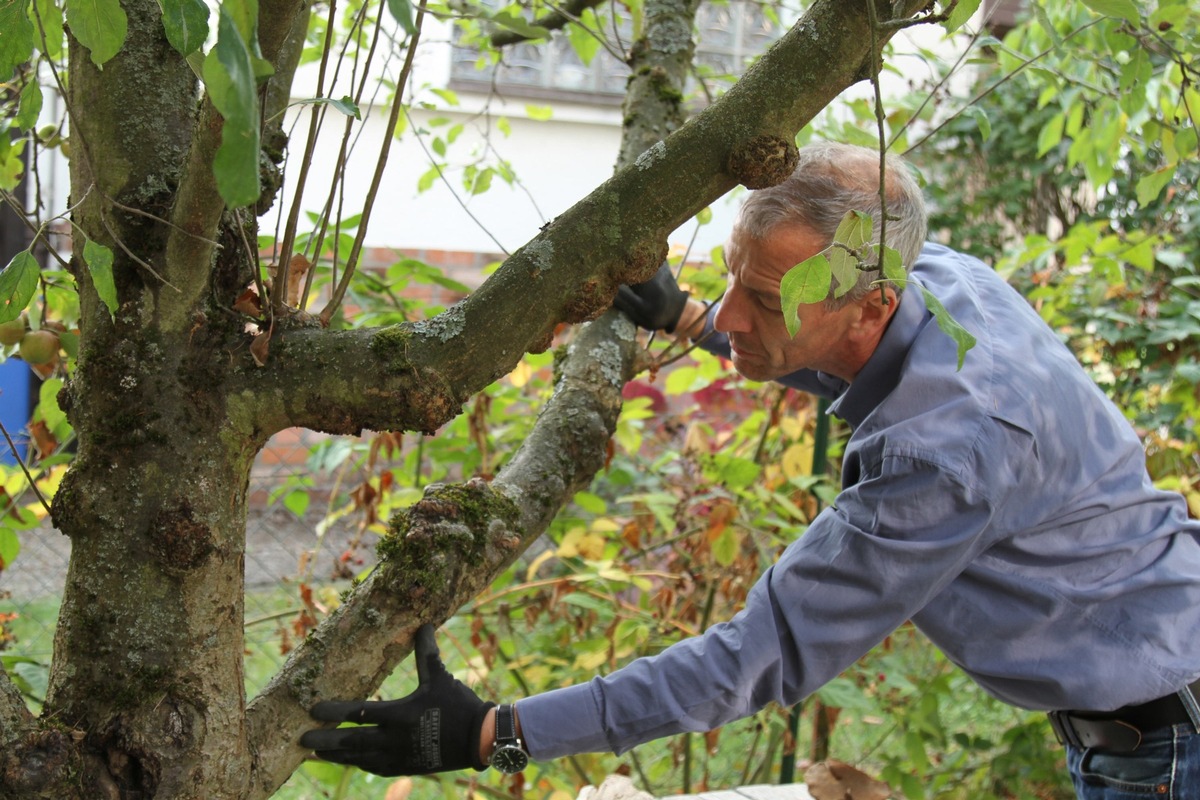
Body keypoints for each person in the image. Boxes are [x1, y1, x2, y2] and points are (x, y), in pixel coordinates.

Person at [301, 142, 1200, 798]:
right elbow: (861, 356)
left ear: (871, 302)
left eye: (760, 301)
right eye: (732, 276)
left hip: (1166, 746)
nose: (734, 311)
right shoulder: (942, 281)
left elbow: (757, 658)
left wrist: (496, 733)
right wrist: (691, 318)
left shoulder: (942, 453)